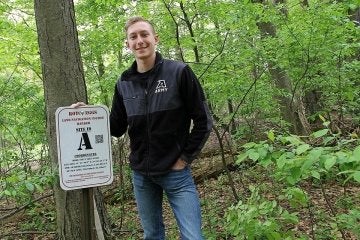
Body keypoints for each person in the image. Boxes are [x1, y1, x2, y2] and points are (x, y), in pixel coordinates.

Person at [73, 16, 212, 239]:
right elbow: (116, 127)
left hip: (176, 173)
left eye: (144, 34)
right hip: (142, 176)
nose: (140, 41)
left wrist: (184, 158)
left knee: (193, 236)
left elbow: (204, 121)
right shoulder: (124, 83)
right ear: (127, 44)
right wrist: (88, 115)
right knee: (152, 235)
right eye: (133, 37)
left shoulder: (179, 72)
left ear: (155, 39)